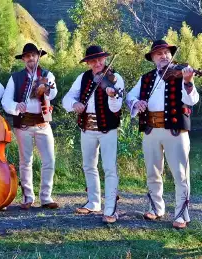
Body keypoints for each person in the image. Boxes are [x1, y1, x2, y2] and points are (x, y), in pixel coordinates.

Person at [125, 40, 200, 229]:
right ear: (152, 58)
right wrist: (137, 103)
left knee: (180, 174)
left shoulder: (182, 75)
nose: (163, 56)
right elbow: (130, 96)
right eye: (159, 54)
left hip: (175, 131)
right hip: (151, 130)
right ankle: (156, 208)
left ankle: (182, 214)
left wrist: (189, 81)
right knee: (152, 172)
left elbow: (192, 100)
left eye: (166, 52)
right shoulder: (146, 78)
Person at [62, 45, 124, 224]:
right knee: (89, 166)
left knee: (110, 168)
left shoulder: (115, 78)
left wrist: (112, 95)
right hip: (86, 128)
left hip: (107, 129)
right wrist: (74, 105)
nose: (98, 63)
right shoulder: (82, 78)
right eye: (93, 61)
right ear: (88, 63)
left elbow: (116, 108)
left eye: (100, 60)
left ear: (105, 60)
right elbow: (67, 98)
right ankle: (93, 202)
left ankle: (111, 208)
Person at [1, 43, 58, 210]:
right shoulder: (16, 78)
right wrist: (16, 106)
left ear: (37, 57)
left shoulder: (47, 74)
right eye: (27, 56)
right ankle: (28, 197)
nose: (30, 59)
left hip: (42, 123)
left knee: (49, 160)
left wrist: (46, 88)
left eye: (33, 55)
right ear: (24, 59)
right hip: (23, 124)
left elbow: (53, 93)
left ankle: (46, 197)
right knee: (26, 161)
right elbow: (6, 101)